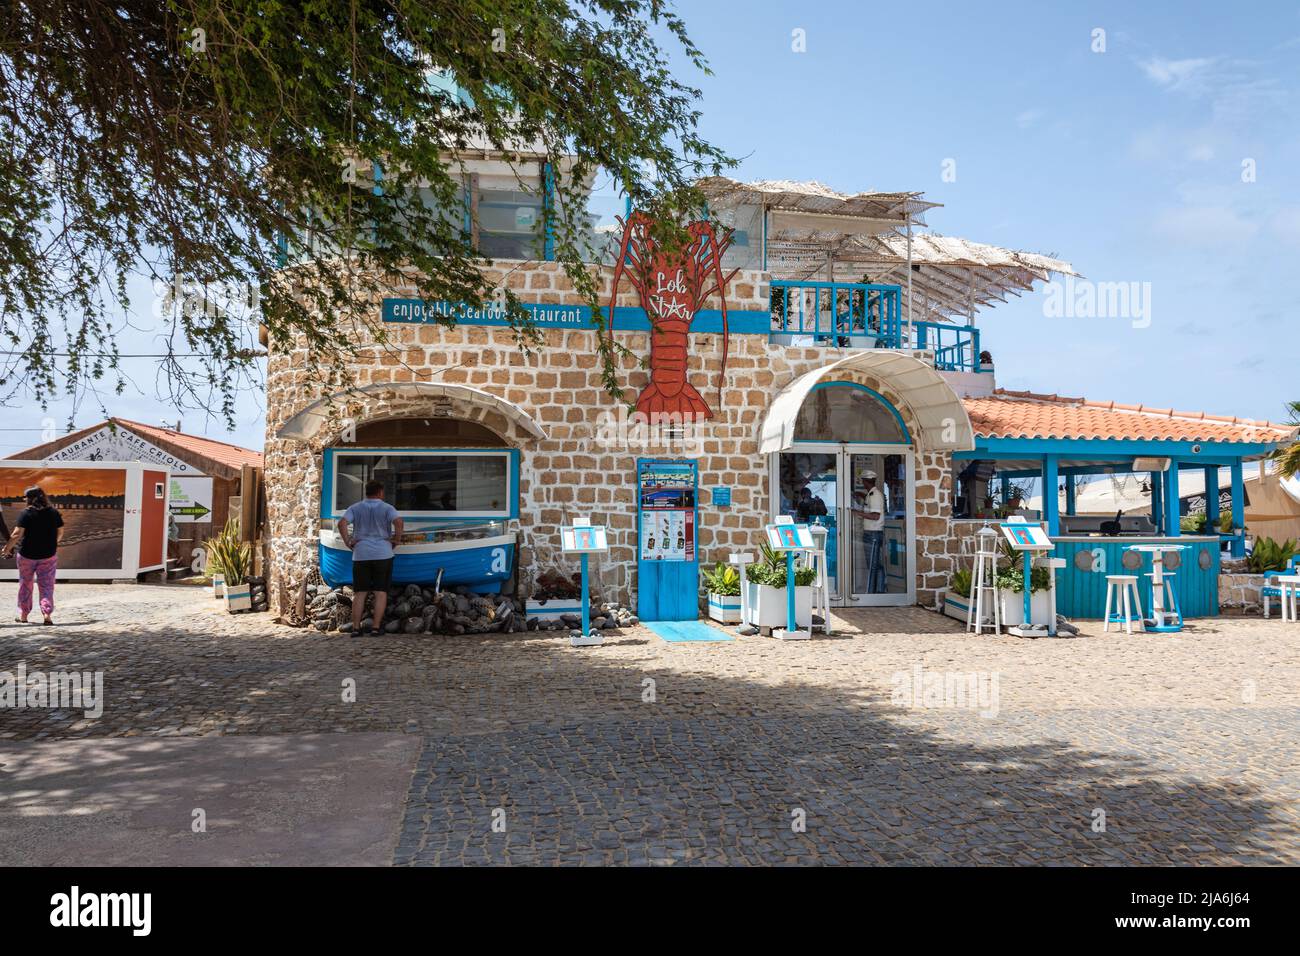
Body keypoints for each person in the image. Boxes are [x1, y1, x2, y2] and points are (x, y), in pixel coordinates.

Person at [335, 479, 404, 634]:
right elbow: (399, 522)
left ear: (366, 492)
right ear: (380, 492)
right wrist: (397, 540)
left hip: (361, 554)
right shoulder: (387, 508)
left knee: (360, 593)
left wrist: (348, 541)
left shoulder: (356, 507)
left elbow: (342, 523)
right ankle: (375, 628)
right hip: (383, 553)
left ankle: (356, 628)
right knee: (380, 592)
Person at [1, 486, 65, 625]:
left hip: (27, 556)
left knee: (26, 584)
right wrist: (53, 543)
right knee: (47, 585)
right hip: (48, 555)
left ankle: (24, 615)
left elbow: (17, 534)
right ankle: (47, 614)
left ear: (29, 499)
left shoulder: (26, 513)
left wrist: (7, 548)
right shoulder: (54, 512)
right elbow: (60, 532)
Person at [853, 472, 886, 594]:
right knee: (874, 563)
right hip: (870, 533)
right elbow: (870, 505)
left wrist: (857, 513)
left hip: (873, 534)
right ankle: (878, 590)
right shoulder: (870, 494)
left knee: (873, 565)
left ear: (865, 482)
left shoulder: (875, 495)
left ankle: (873, 592)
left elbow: (875, 516)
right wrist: (860, 495)